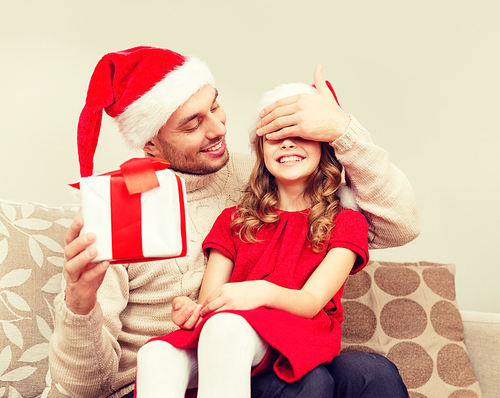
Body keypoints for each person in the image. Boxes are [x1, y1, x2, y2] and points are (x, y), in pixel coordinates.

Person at [49, 46, 418, 398]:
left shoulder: (263, 176)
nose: (218, 129)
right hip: (180, 366)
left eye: (215, 107)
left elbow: (400, 225)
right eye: (193, 123)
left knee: (372, 374)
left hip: (269, 343)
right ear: (151, 144)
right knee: (308, 384)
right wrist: (80, 304)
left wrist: (342, 130)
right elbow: (79, 388)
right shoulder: (118, 211)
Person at [135, 80, 371, 398]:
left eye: (300, 136)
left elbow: (312, 302)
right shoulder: (234, 220)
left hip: (298, 330)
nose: (287, 145)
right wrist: (193, 311)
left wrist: (260, 292)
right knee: (156, 353)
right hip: (230, 330)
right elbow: (211, 301)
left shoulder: (346, 221)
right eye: (275, 138)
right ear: (262, 150)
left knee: (225, 328)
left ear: (323, 148)